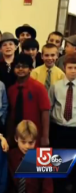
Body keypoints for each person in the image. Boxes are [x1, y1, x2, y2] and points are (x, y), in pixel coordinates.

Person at [7, 54, 50, 147]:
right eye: (17, 66)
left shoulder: (39, 88)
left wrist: (45, 136)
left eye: (24, 66)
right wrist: (9, 135)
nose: (21, 69)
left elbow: (45, 112)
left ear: (31, 69)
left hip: (34, 134)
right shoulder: (12, 89)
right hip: (17, 134)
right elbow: (11, 114)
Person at [49, 53, 76, 193]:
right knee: (58, 160)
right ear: (64, 68)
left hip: (74, 129)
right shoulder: (55, 87)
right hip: (59, 129)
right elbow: (50, 107)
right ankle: (59, 187)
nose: (73, 70)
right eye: (70, 67)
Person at [7, 120, 53, 193]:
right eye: (23, 142)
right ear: (16, 138)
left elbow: (47, 188)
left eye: (31, 142)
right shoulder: (11, 156)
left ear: (35, 140)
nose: (27, 146)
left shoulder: (43, 158)